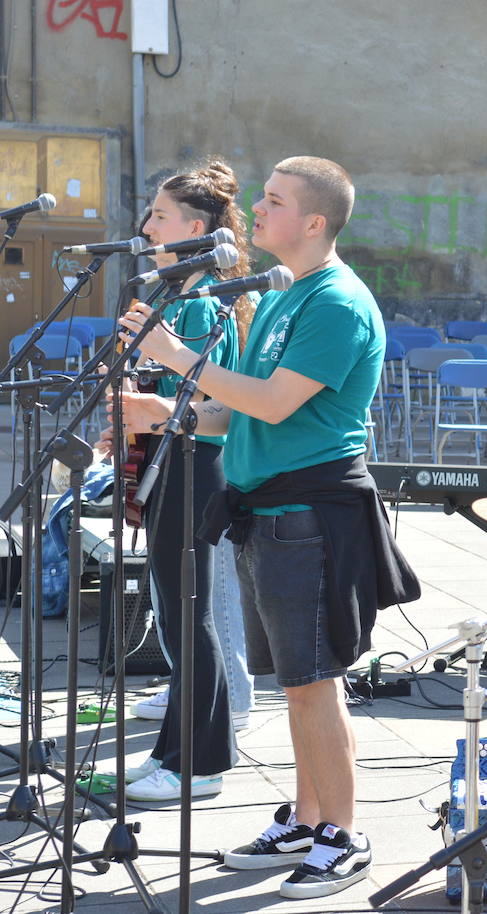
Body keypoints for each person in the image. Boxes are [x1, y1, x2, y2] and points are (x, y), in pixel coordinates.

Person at [114, 155, 418, 900]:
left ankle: (342, 834)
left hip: (310, 513)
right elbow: (241, 407)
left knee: (315, 684)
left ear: (314, 222)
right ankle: (307, 817)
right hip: (267, 510)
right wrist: (167, 412)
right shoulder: (285, 295)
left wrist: (177, 360)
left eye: (274, 201)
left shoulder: (336, 301)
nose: (255, 211)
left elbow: (278, 403)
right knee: (295, 683)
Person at [104, 160, 258, 802]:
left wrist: (154, 411)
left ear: (195, 227)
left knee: (192, 617)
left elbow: (219, 408)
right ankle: (175, 749)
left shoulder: (198, 303)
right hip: (173, 461)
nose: (144, 225)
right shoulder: (179, 293)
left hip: (197, 466)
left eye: (159, 216)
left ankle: (198, 765)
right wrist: (132, 413)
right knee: (178, 611)